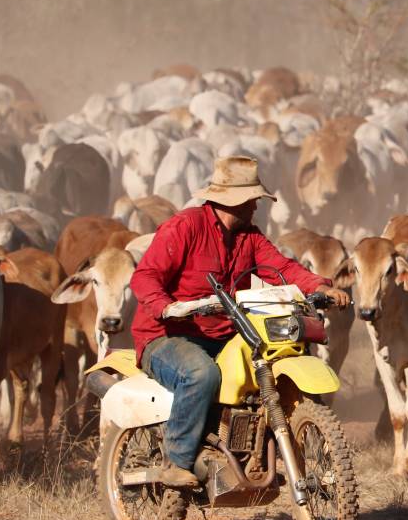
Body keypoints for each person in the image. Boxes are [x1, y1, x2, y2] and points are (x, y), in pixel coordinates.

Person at [130, 156, 350, 487]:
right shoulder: (186, 226)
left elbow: (282, 267)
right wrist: (166, 307)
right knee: (201, 374)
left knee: (263, 367)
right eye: (251, 201)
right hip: (169, 336)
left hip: (225, 334)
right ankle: (176, 461)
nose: (256, 207)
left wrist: (319, 286)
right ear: (233, 201)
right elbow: (145, 275)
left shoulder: (250, 237)